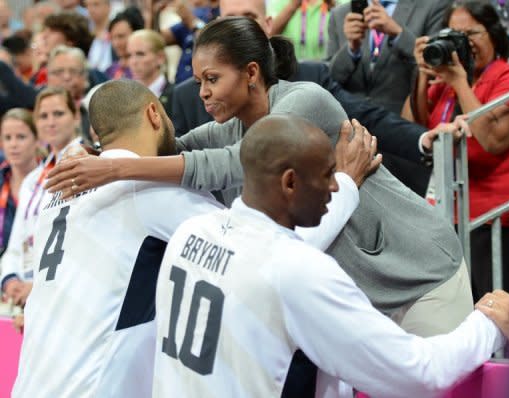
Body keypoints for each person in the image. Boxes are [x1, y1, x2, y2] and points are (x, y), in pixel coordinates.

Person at [46, 17, 471, 341]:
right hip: (365, 290)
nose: (203, 93)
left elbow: (234, 164)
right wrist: (101, 153)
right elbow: (174, 151)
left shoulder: (304, 100)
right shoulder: (231, 125)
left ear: (251, 73)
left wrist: (114, 168)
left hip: (420, 273)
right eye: (198, 82)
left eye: (213, 79)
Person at [12, 78, 374, 397]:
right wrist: (342, 185)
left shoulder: (59, 191)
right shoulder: (146, 190)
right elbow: (264, 252)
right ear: (155, 114)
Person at [153, 113, 509, 398]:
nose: (337, 186)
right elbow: (421, 374)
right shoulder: (299, 273)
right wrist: (490, 323)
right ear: (290, 183)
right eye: (328, 175)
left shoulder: (193, 232)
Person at [168, 0, 450, 195]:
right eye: (228, 21)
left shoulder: (308, 79)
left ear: (267, 25)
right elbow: (176, 160)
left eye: (248, 19)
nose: (237, 30)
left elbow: (362, 117)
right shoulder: (186, 96)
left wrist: (422, 139)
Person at [407, 1, 509, 300]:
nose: (463, 43)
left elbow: (493, 140)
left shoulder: (505, 75)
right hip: (448, 215)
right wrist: (423, 76)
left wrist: (459, 82)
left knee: (494, 310)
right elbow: (412, 124)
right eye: (455, 33)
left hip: (493, 222)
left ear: (494, 34)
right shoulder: (447, 79)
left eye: (472, 33)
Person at [0, 87, 81, 308]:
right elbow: (16, 244)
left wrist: (37, 286)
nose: (50, 122)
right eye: (43, 116)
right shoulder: (32, 181)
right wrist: (10, 280)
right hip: (27, 296)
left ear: (75, 117)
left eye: (58, 113)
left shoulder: (86, 167)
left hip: (62, 295)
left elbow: (76, 244)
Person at [327, 0, 452, 114]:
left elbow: (437, 68)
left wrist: (398, 33)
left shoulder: (433, 6)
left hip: (401, 121)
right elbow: (329, 78)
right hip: (349, 121)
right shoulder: (340, 14)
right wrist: (351, 49)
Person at [0, 109, 38, 260]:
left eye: (21, 137)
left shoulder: (51, 180)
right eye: (8, 138)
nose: (13, 144)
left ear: (36, 139)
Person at [268, 0, 337, 61]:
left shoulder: (337, 2)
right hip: (291, 70)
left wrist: (336, 7)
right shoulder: (280, 2)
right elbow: (269, 36)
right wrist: (293, 5)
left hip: (327, 69)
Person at [127, 29, 174, 117]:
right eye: (129, 55)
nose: (133, 61)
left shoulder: (176, 95)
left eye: (140, 54)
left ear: (160, 57)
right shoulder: (125, 98)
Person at [106, 6, 145, 80]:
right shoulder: (110, 71)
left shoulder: (144, 71)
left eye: (121, 36)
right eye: (112, 38)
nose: (116, 43)